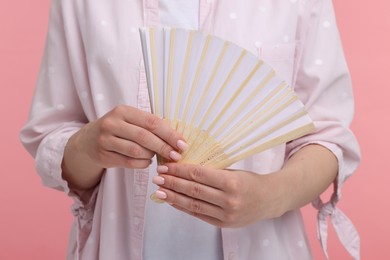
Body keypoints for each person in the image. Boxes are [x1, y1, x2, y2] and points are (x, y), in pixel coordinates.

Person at [20, 0, 361, 259]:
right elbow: (54, 138)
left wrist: (268, 196)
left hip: (265, 247)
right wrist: (90, 145)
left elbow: (327, 137)